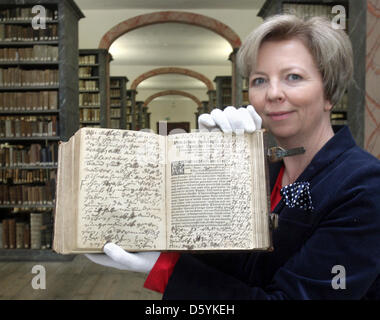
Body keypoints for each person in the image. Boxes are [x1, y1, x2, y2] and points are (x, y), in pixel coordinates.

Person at [86, 14, 380, 299]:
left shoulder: (364, 187)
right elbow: (245, 270)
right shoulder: (265, 170)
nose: (273, 93)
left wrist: (166, 269)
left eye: (293, 77)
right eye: (260, 80)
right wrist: (214, 168)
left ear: (329, 93)